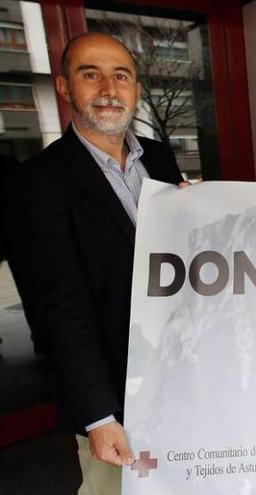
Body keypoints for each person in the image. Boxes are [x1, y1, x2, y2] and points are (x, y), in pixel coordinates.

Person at [4, 32, 184, 495]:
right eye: (91, 74)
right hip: (114, 398)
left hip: (180, 379)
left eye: (120, 75)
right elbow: (58, 310)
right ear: (65, 88)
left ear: (136, 89)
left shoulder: (160, 160)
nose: (108, 87)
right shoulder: (38, 182)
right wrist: (98, 415)